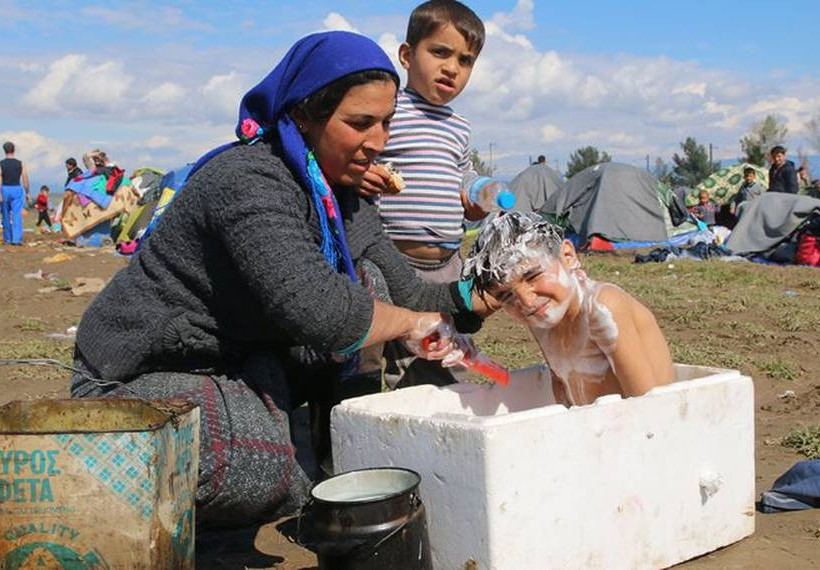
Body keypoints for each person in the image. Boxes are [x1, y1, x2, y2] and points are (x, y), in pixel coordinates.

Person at [69, 31, 490, 527]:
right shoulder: (249, 181)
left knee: (369, 279)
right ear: (304, 115)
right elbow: (322, 312)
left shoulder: (343, 199)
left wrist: (493, 291)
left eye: (386, 122)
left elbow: (413, 290)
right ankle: (127, 454)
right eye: (360, 123)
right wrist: (412, 324)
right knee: (260, 468)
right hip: (140, 374)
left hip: (238, 363)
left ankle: (303, 439)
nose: (378, 142)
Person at [358, 0, 499, 386]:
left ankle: (443, 405)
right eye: (440, 52)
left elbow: (460, 174)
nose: (452, 68)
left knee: (443, 341)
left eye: (465, 60)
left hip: (447, 261)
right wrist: (366, 173)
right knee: (379, 347)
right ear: (407, 55)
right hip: (392, 258)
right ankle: (357, 407)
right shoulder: (390, 110)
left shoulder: (459, 126)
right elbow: (362, 154)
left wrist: (474, 196)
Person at [463, 212, 674, 407]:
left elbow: (648, 407)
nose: (526, 302)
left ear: (568, 255)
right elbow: (562, 389)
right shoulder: (544, 316)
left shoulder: (603, 307)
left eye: (533, 276)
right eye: (506, 296)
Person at [0, 141, 30, 245]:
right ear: (14, 150)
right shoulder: (20, 163)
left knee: (5, 215)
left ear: (4, 151)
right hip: (17, 188)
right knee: (17, 215)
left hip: (4, 188)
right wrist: (27, 192)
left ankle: (8, 239)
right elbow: (25, 178)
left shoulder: (1, 163)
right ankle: (17, 239)